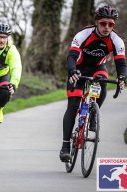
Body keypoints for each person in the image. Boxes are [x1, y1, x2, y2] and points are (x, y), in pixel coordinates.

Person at [59, 5, 126, 162]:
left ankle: (93, 114)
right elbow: (71, 57)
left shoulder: (116, 40)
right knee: (73, 105)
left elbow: (121, 64)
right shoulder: (83, 34)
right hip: (79, 69)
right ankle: (65, 147)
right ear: (97, 22)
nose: (107, 27)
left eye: (111, 24)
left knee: (102, 82)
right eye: (103, 23)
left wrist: (122, 77)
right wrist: (72, 71)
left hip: (97, 68)